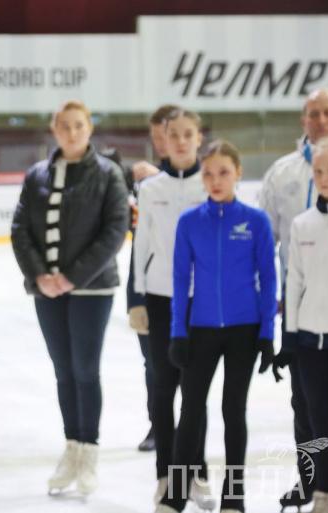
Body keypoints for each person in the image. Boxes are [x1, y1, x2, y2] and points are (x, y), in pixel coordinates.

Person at [11, 100, 129, 496]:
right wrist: (40, 276)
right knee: (63, 370)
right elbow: (20, 229)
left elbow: (115, 230)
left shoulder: (109, 174)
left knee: (85, 370)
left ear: (89, 128)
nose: (72, 132)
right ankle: (72, 448)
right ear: (54, 129)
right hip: (47, 290)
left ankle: (89, 451)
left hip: (91, 289)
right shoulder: (37, 175)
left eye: (79, 125)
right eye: (65, 126)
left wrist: (71, 277)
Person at [155, 140, 277, 513]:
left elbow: (269, 278)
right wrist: (178, 332)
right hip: (201, 329)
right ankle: (176, 494)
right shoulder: (189, 222)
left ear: (238, 173)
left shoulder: (256, 221)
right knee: (191, 410)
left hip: (244, 329)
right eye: (208, 173)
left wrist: (267, 334)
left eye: (223, 172)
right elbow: (180, 280)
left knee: (233, 411)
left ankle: (233, 497)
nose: (215, 180)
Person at [260, 87, 328, 509]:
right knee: (306, 403)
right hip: (301, 312)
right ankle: (314, 481)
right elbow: (264, 242)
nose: (321, 120)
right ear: (303, 120)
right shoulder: (282, 173)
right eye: (313, 113)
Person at [133, 107, 215, 509]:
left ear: (199, 138)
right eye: (173, 134)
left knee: (196, 392)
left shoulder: (211, 183)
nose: (181, 141)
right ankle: (166, 475)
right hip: (161, 298)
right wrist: (137, 299)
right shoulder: (151, 189)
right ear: (163, 140)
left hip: (204, 301)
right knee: (163, 389)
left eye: (188, 134)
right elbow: (141, 244)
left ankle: (196, 472)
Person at [284, 136, 328, 513]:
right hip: (309, 342)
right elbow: (294, 282)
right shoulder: (302, 224)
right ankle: (324, 493)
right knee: (318, 420)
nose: (324, 177)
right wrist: (290, 336)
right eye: (319, 171)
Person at [125, 103, 179, 453]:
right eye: (156, 137)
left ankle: (188, 426)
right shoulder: (144, 184)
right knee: (154, 363)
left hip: (189, 290)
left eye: (167, 136)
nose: (161, 144)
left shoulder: (202, 179)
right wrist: (135, 297)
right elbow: (138, 241)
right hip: (148, 284)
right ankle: (158, 426)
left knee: (189, 366)